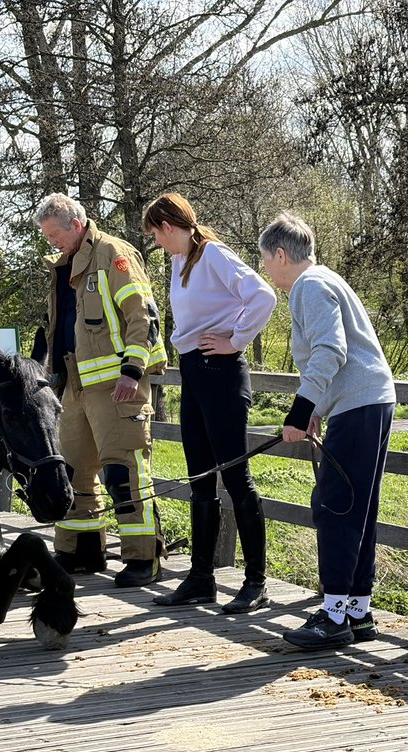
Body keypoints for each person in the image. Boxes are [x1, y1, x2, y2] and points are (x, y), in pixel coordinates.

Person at [258, 213, 397, 649]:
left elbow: (330, 349)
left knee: (335, 505)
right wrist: (318, 406)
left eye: (265, 259)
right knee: (358, 507)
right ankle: (358, 609)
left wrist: (300, 412)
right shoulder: (325, 278)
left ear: (281, 255)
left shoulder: (309, 287)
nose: (265, 268)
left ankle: (333, 615)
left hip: (360, 403)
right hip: (371, 400)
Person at [142, 193, 277, 612]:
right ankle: (201, 578)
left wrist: (235, 339)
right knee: (200, 476)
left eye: (156, 236)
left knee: (235, 477)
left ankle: (256, 581)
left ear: (168, 227)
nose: (158, 245)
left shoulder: (213, 253)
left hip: (221, 374)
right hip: (194, 373)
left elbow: (263, 296)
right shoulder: (180, 261)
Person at [36, 193, 167, 588]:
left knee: (123, 471)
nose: (51, 243)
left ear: (76, 225)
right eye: (46, 237)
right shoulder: (65, 265)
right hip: (74, 386)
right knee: (73, 472)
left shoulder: (113, 253)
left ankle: (144, 557)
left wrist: (133, 370)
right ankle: (79, 551)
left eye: (55, 234)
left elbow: (141, 314)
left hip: (117, 385)